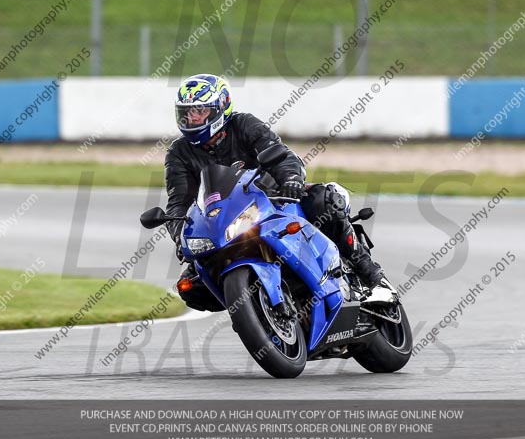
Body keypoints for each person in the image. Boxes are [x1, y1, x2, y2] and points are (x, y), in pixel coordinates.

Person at [163, 73, 396, 311]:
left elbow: (281, 155)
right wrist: (181, 235)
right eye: (187, 112)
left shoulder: (244, 124)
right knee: (192, 287)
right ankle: (254, 314)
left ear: (221, 106)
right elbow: (179, 203)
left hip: (274, 202)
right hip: (225, 224)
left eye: (199, 111)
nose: (192, 118)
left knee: (325, 202)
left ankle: (374, 280)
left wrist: (291, 179)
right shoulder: (179, 153)